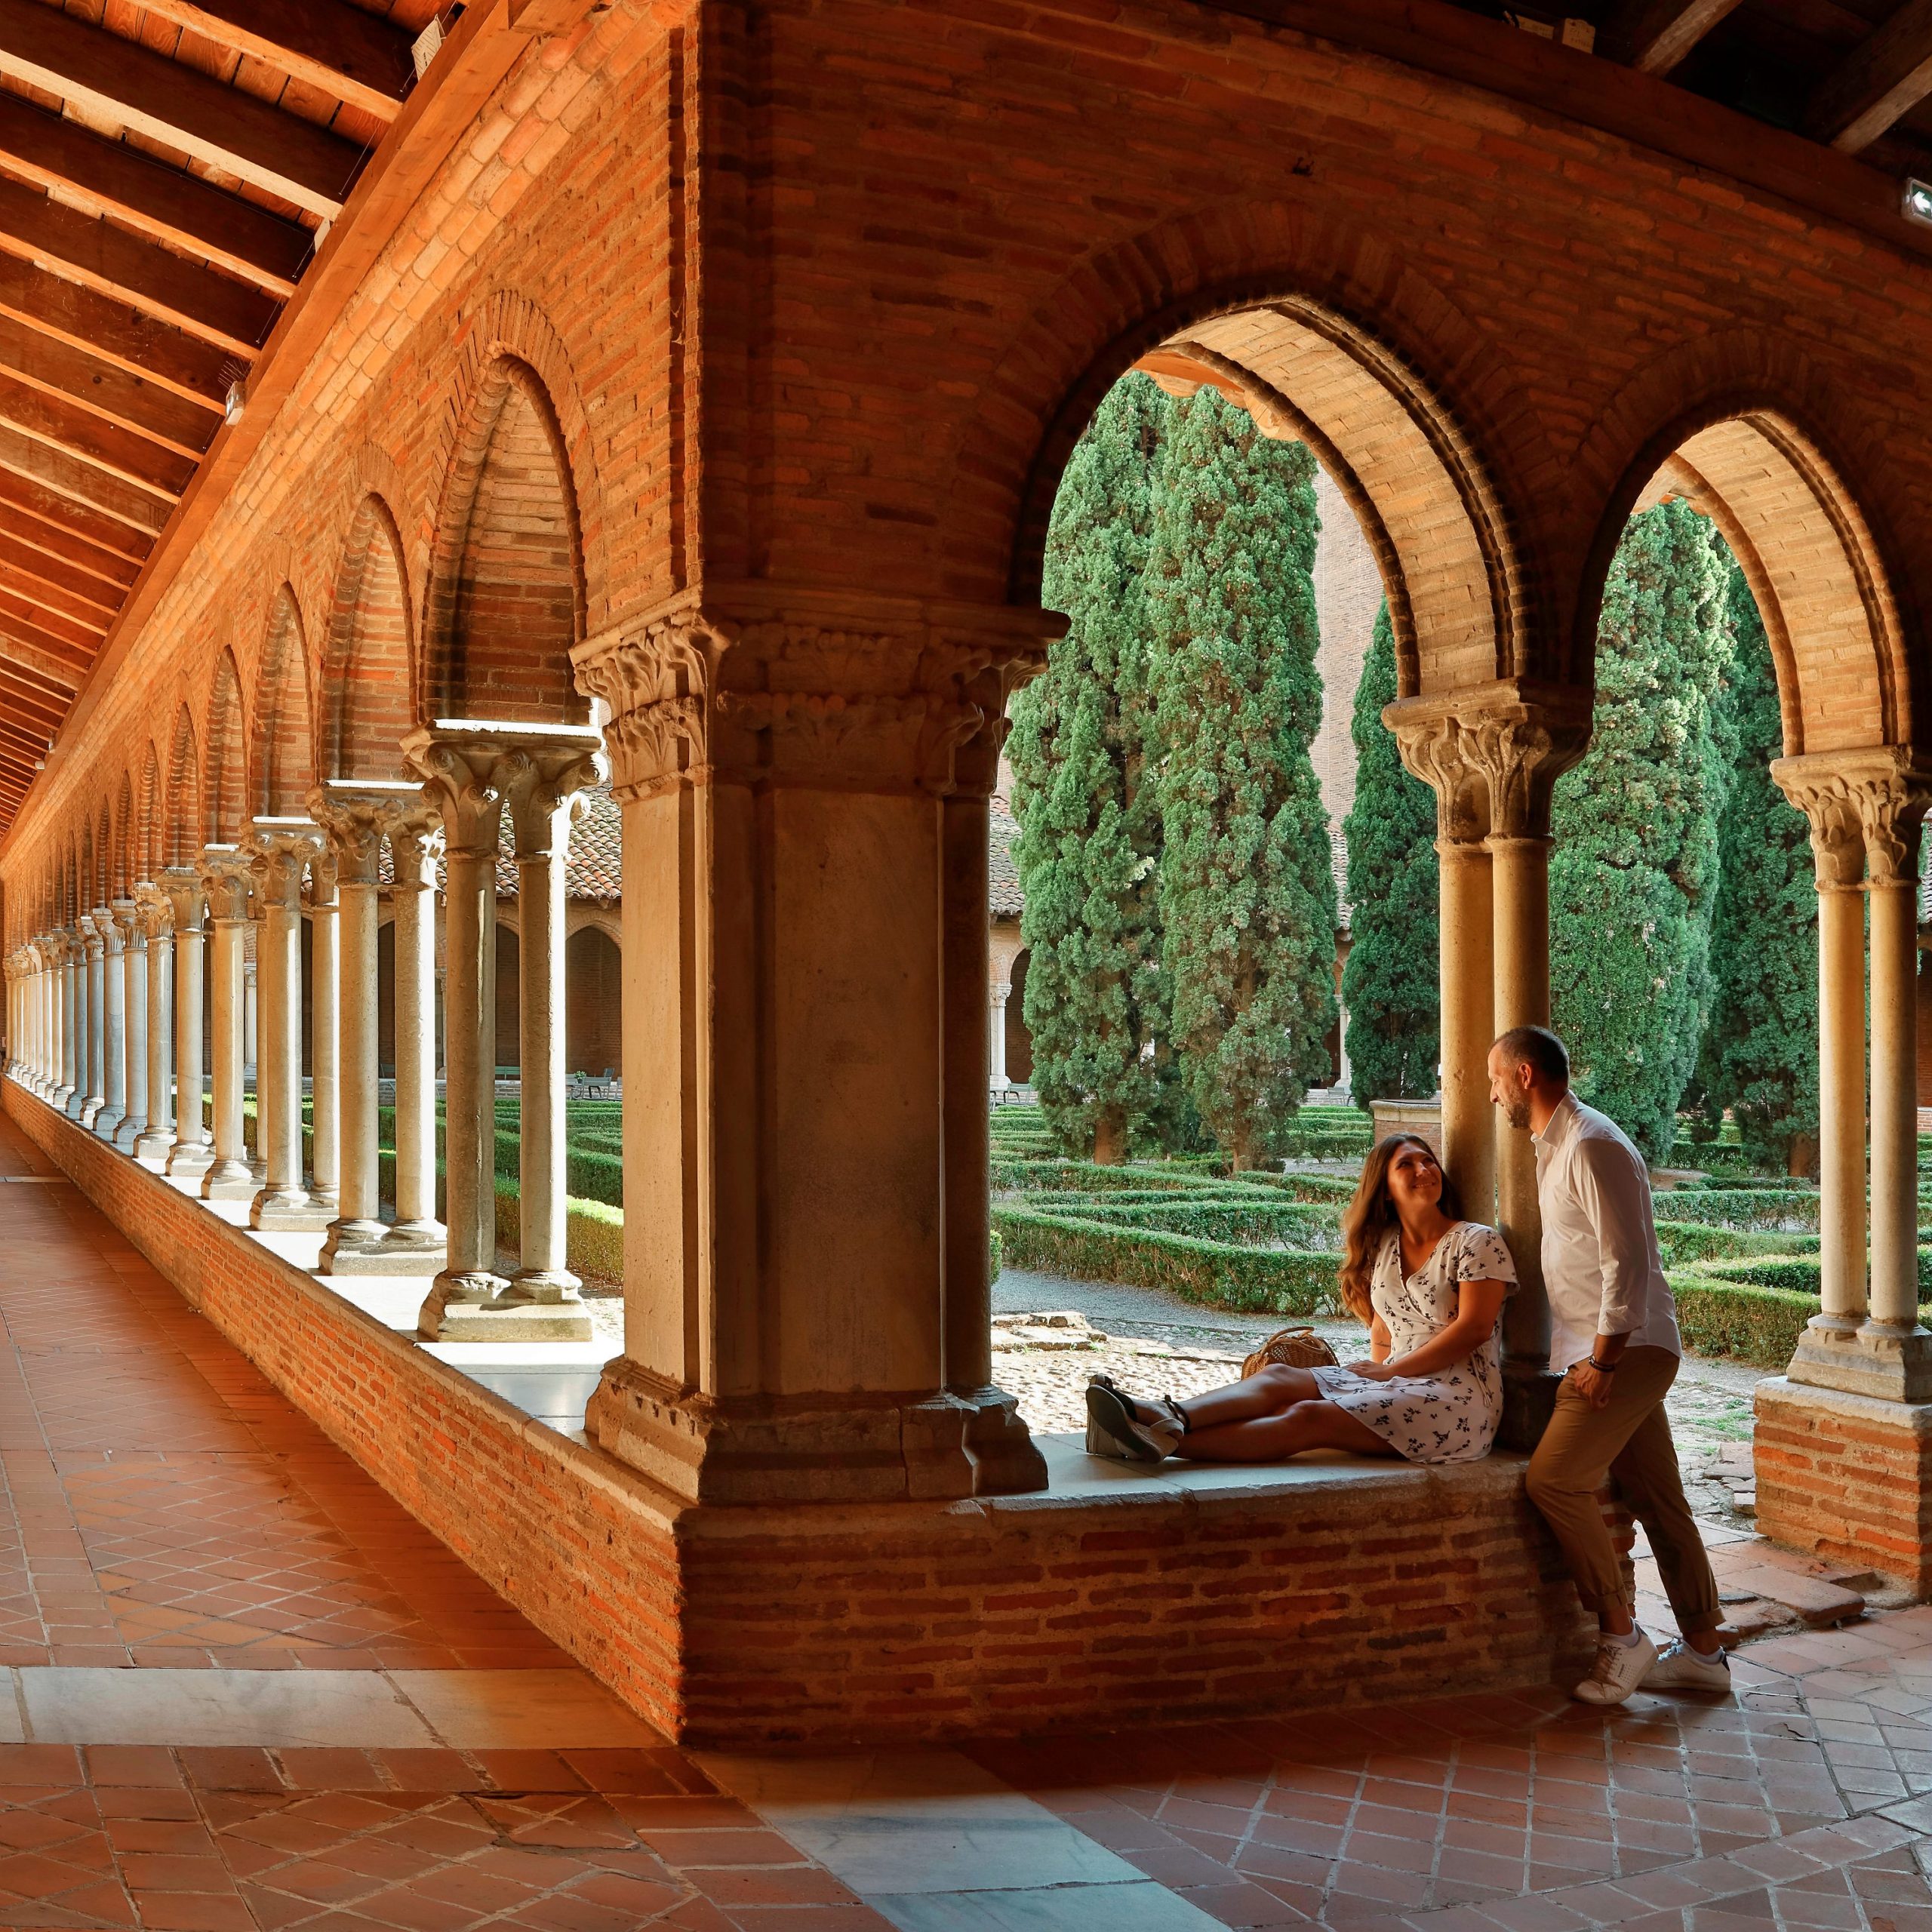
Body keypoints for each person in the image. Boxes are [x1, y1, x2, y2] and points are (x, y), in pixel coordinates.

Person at [1487, 1024, 1728, 1706]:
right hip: (1614, 1350)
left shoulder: (1591, 1144)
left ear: (1526, 1076)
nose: (1493, 1093)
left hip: (1626, 1352)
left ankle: (1621, 1637)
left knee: (1554, 1481)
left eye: (1496, 1078)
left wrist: (1602, 1361)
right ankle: (1706, 1655)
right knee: (1658, 1498)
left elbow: (1627, 1261)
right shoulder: (1557, 1144)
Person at [1084, 1134, 1514, 1466]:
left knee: (1308, 1416)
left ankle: (1152, 1439)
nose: (1424, 1169)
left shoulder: (1476, 1241)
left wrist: (1387, 1375)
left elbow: (1474, 1328)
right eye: (1407, 1164)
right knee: (1281, 1378)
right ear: (1384, 1189)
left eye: (1428, 1161)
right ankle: (1167, 1413)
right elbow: (1385, 1330)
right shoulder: (1385, 1246)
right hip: (1396, 1380)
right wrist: (1374, 1375)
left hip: (1457, 1401)